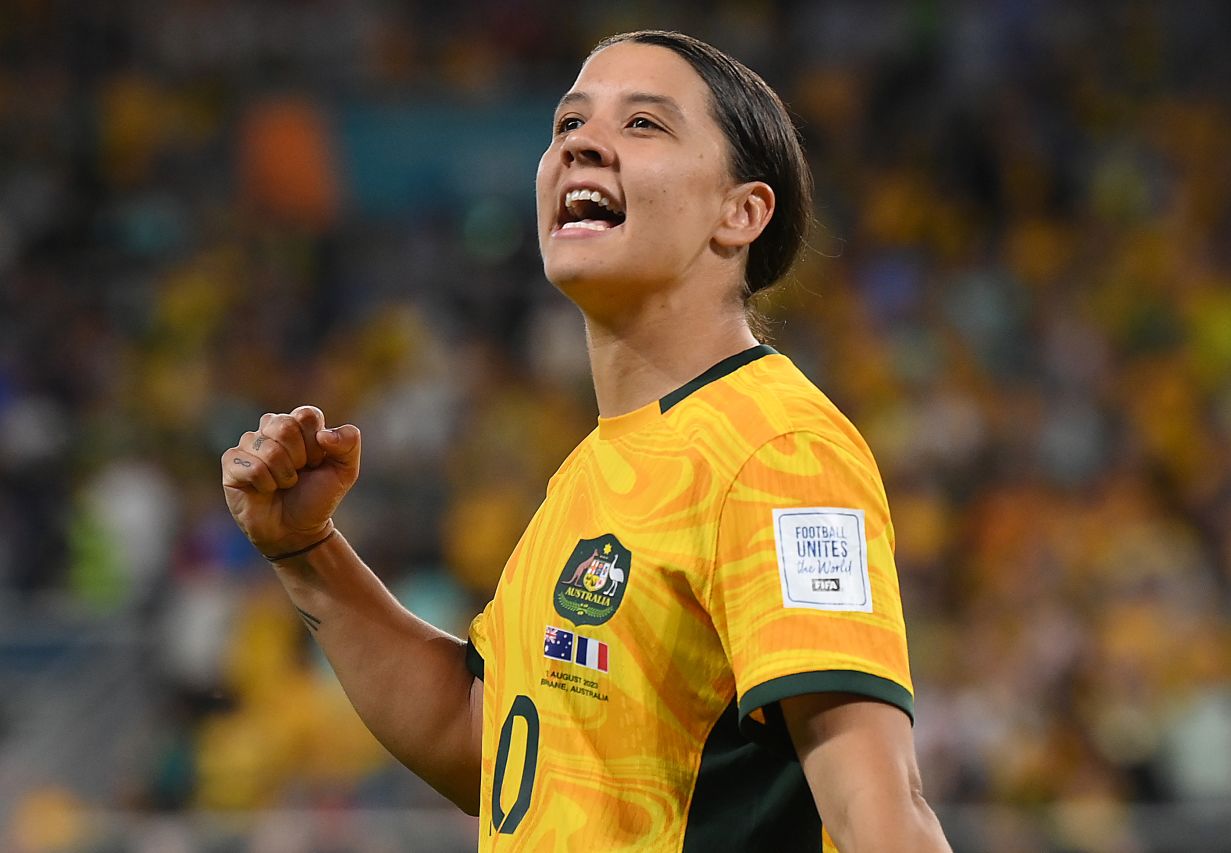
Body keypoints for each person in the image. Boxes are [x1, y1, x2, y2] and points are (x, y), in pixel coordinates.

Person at [221, 29, 952, 852]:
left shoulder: (776, 448)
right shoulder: (596, 466)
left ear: (739, 212)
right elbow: (482, 739)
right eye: (568, 123)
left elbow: (880, 810)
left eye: (643, 125)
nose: (581, 144)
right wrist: (305, 551)